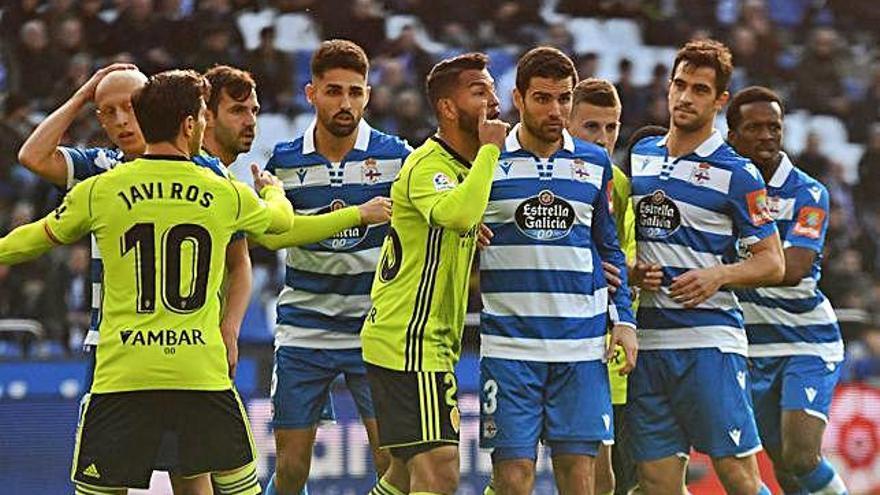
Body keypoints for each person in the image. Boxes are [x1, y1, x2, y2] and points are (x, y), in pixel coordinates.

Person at [0, 69, 295, 495]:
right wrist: (274, 192)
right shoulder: (213, 187)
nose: (121, 120)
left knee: (145, 484)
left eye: (128, 108)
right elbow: (281, 225)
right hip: (165, 365)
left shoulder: (104, 187)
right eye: (108, 112)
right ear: (190, 123)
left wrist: (229, 327)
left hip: (135, 366)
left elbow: (31, 240)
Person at [626, 39, 785, 495]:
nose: (684, 97)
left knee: (737, 475)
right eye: (679, 85)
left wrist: (718, 274)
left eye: (698, 89)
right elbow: (620, 239)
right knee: (657, 483)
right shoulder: (641, 157)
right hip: (649, 340)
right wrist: (636, 269)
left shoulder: (739, 172)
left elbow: (772, 262)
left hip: (708, 340)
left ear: (719, 101)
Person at [478, 47, 636, 495]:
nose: (556, 110)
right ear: (518, 98)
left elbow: (609, 248)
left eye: (564, 99)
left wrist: (623, 321)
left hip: (581, 349)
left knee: (579, 479)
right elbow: (458, 229)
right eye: (543, 98)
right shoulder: (487, 162)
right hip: (510, 348)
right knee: (513, 479)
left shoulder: (594, 163)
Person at [255, 40, 404, 495]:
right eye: (334, 91)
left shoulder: (399, 156)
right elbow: (273, 235)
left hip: (373, 328)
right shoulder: (284, 160)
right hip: (305, 330)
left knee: (392, 463)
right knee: (293, 469)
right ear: (311, 93)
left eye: (355, 92)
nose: (345, 103)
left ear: (368, 96)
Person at [360, 52, 508, 495]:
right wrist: (489, 152)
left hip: (420, 340)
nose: (494, 101)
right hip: (410, 341)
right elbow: (458, 215)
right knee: (441, 470)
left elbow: (455, 217)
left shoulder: (457, 169)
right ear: (447, 107)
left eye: (493, 89)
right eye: (479, 91)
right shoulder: (430, 164)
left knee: (405, 475)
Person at [727, 86, 848, 495]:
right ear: (732, 135)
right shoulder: (725, 189)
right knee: (781, 462)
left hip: (806, 340)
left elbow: (792, 268)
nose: (766, 135)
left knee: (800, 455)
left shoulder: (807, 192)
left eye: (773, 127)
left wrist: (718, 274)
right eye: (754, 127)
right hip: (753, 344)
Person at [567, 77, 648, 495]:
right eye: (591, 127)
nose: (603, 139)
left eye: (611, 128)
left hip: (604, 341)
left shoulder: (618, 182)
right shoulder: (527, 167)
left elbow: (622, 251)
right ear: (566, 121)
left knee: (607, 468)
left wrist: (632, 270)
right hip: (540, 336)